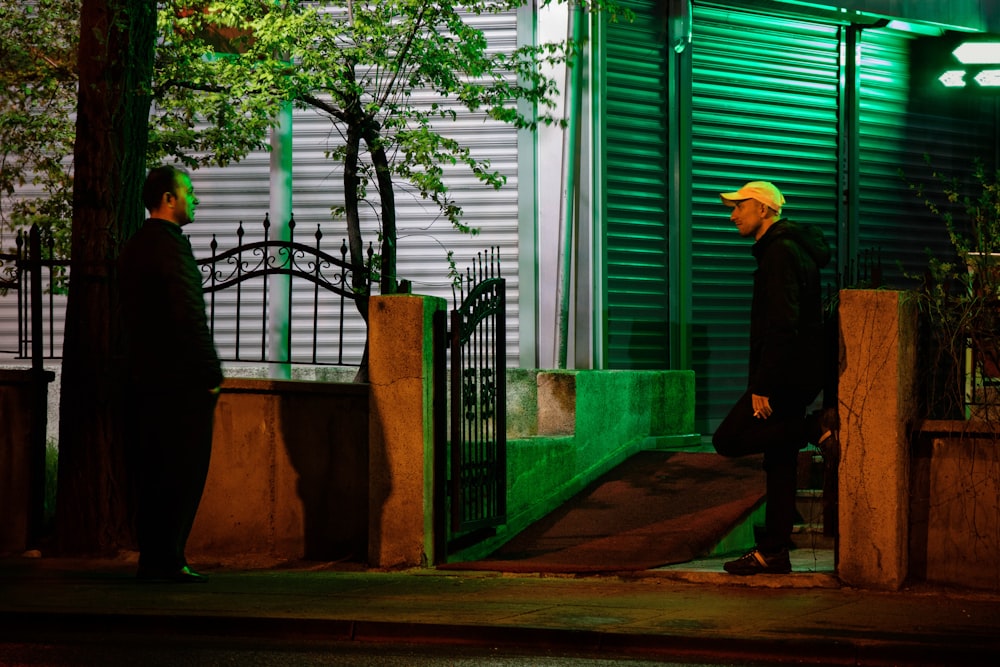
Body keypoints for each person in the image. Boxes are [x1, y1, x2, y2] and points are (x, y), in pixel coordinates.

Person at [712, 180, 836, 576]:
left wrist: (763, 385)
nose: (732, 214)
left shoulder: (780, 252)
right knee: (779, 462)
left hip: (784, 375)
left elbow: (783, 324)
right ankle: (775, 551)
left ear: (763, 210)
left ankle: (811, 427)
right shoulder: (789, 249)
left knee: (728, 439)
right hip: (796, 372)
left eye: (740, 206)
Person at [119, 165, 222, 583]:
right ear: (168, 198)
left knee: (151, 471)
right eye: (189, 192)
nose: (195, 199)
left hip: (142, 378)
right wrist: (210, 371)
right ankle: (169, 558)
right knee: (183, 470)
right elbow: (188, 314)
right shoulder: (171, 248)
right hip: (180, 382)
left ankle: (153, 557)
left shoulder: (134, 247)